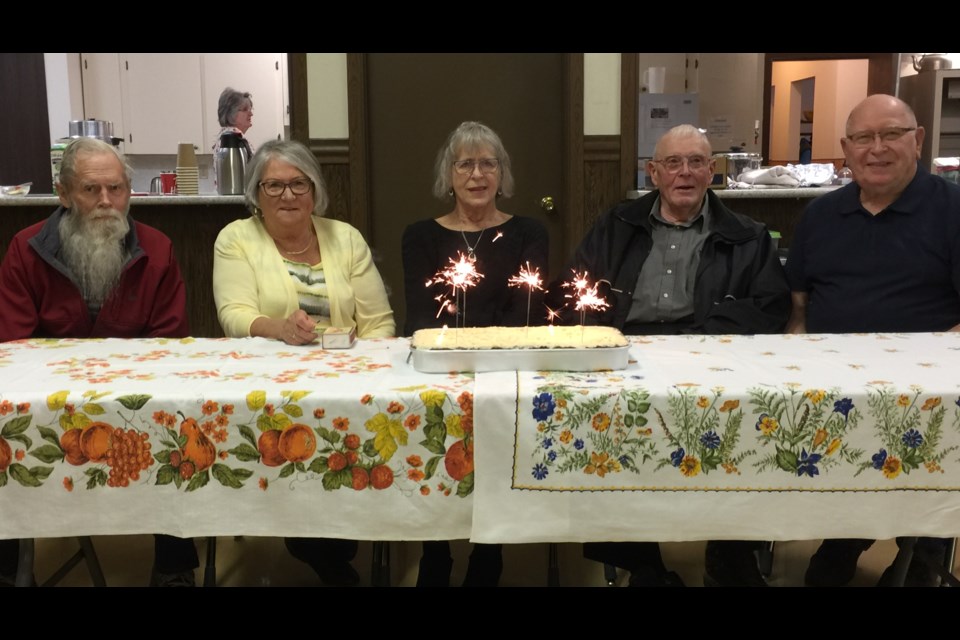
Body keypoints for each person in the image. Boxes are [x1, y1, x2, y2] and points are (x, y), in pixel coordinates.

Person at [546, 124, 790, 586]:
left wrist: (699, 339)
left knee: (741, 426)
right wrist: (604, 339)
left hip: (712, 353)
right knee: (609, 429)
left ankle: (731, 550)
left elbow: (769, 306)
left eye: (696, 162)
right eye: (673, 163)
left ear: (712, 172)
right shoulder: (617, 226)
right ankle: (643, 563)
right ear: (653, 172)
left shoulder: (747, 235)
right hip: (625, 350)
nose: (685, 173)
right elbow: (571, 291)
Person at [0, 137, 198, 587]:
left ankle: (173, 563)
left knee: (179, 421)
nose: (106, 202)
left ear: (129, 190)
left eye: (117, 189)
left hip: (139, 398)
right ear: (65, 193)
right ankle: (11, 564)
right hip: (45, 399)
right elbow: (11, 345)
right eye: (91, 190)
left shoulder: (158, 248)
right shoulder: (25, 249)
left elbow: (170, 342)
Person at [786, 93, 960, 587]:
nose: (876, 149)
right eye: (864, 138)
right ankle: (845, 536)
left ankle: (923, 555)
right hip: (833, 382)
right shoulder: (819, 217)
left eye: (891, 135)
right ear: (846, 148)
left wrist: (923, 364)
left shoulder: (953, 210)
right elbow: (798, 309)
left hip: (930, 385)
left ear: (918, 140)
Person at [213, 139, 394, 585]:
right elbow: (234, 315)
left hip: (345, 383)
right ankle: (324, 556)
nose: (288, 196)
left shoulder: (345, 237)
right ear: (256, 193)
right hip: (270, 388)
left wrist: (367, 372)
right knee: (293, 456)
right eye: (274, 185)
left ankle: (333, 538)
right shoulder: (235, 238)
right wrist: (280, 328)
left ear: (315, 191)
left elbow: (380, 323)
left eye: (298, 184)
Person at [402, 121, 548, 586]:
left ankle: (489, 551)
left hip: (505, 369)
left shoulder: (529, 232)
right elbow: (424, 315)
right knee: (428, 438)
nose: (477, 174)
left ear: (502, 174)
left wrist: (484, 358)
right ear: (448, 175)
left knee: (498, 428)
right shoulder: (420, 236)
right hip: (438, 368)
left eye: (489, 163)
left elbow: (525, 312)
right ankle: (436, 550)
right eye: (466, 163)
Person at [212, 87, 254, 181]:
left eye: (251, 109)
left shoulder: (222, 136)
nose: (251, 113)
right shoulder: (235, 136)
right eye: (245, 109)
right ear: (231, 113)